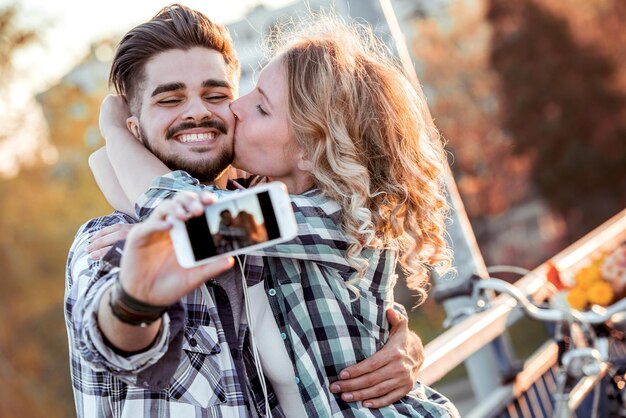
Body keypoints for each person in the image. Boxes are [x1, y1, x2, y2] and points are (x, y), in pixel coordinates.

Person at [92, 9, 459, 418]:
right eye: (246, 91)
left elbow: (189, 222)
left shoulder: (329, 215)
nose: (236, 108)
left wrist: (113, 130)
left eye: (262, 107)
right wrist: (154, 223)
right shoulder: (262, 203)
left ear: (308, 149)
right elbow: (138, 188)